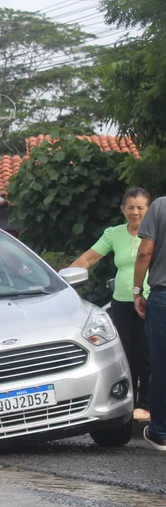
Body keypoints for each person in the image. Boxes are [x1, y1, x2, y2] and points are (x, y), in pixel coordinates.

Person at [71, 187, 152, 416]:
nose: (135, 212)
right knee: (125, 355)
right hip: (122, 304)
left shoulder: (158, 233)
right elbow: (89, 258)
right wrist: (62, 280)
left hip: (151, 301)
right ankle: (128, 404)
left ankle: (147, 405)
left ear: (149, 210)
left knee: (148, 353)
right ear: (122, 209)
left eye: (140, 207)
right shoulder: (114, 234)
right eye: (130, 207)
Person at [134, 194, 166, 449]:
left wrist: (137, 291)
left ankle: (160, 431)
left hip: (163, 296)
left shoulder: (160, 206)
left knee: (162, 365)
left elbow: (145, 252)